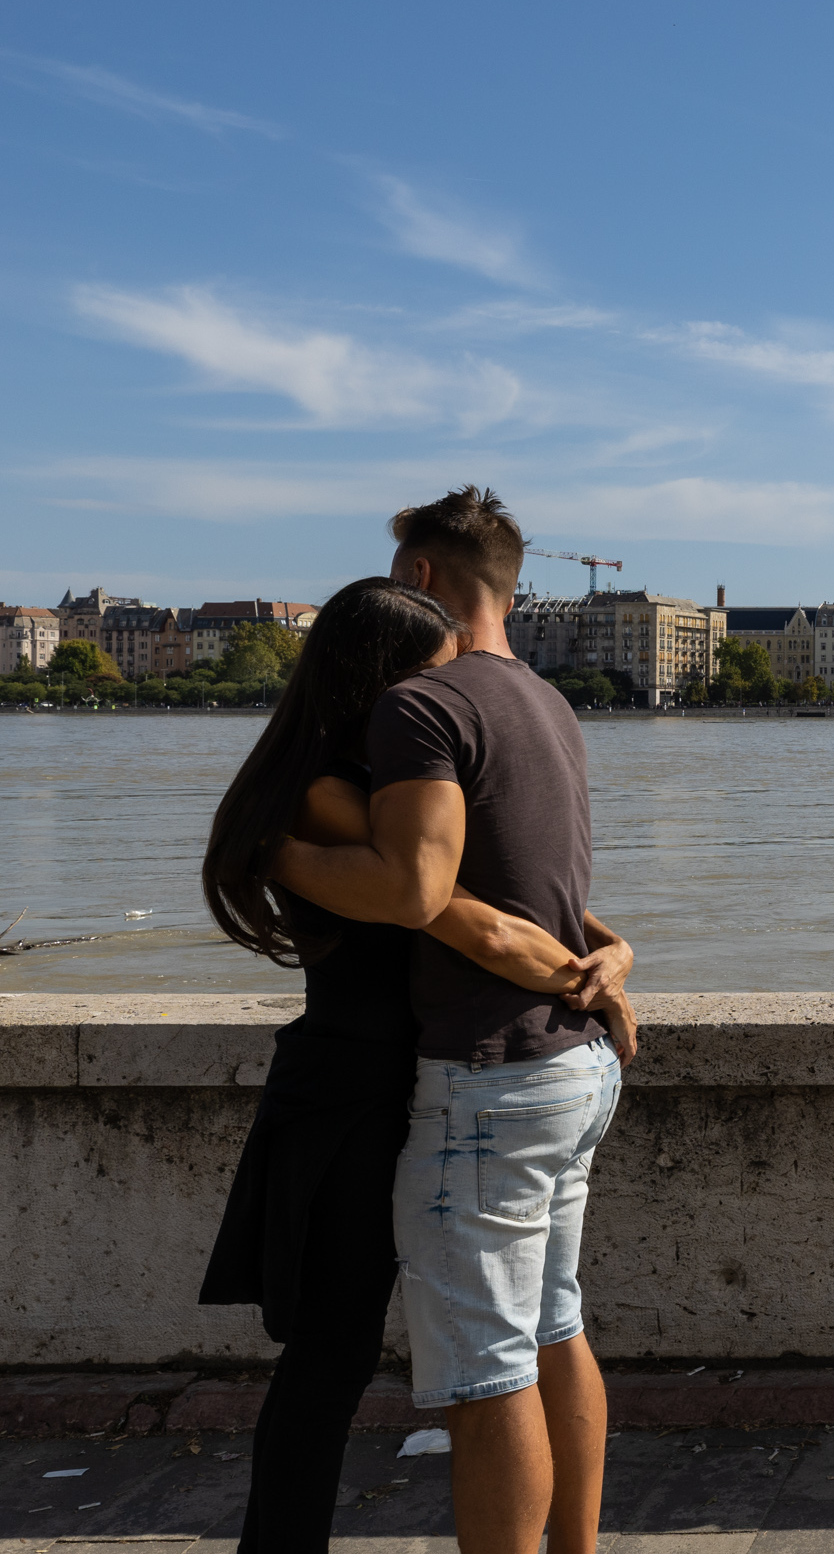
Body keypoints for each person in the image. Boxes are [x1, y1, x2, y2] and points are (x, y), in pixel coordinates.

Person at [199, 577, 632, 1551]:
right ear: (382, 679)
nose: (452, 697)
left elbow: (510, 892)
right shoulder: (326, 794)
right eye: (436, 678)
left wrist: (614, 950)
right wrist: (583, 979)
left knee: (359, 1356)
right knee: (332, 1361)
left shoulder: (381, 784)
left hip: (395, 1085)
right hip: (353, 1098)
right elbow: (459, 916)